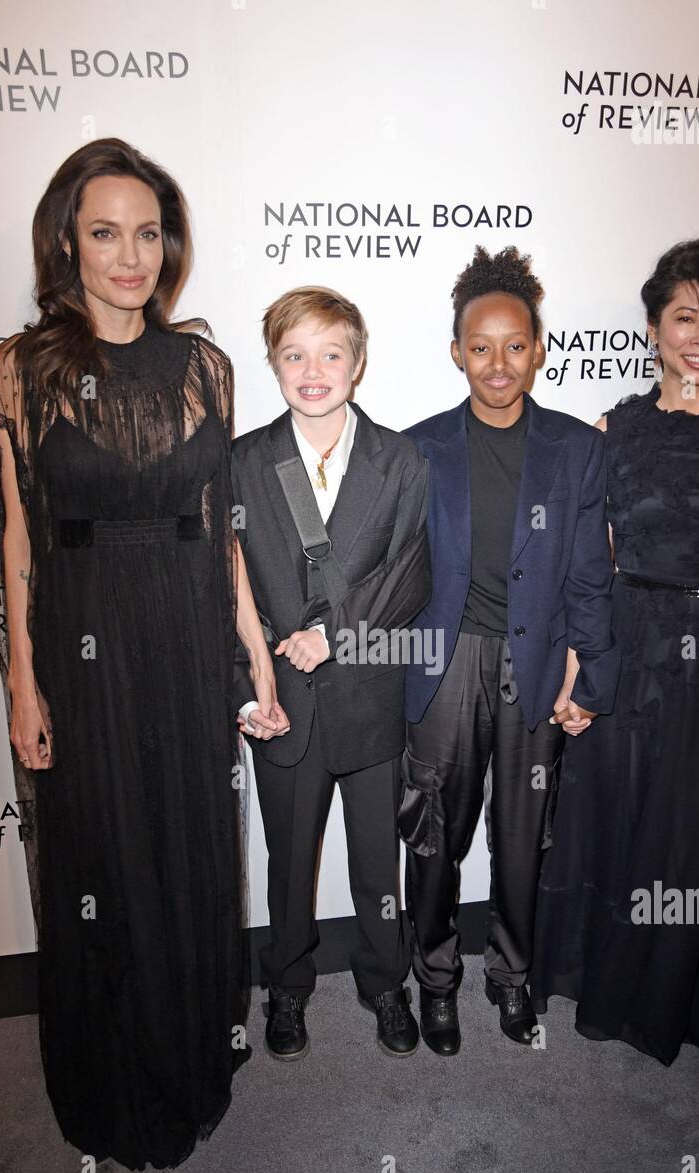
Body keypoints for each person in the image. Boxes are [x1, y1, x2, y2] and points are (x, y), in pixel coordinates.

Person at [0, 137, 281, 1169]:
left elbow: (223, 523)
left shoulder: (205, 364)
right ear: (68, 240)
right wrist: (23, 676)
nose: (129, 255)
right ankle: (114, 1079)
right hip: (83, 639)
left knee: (189, 849)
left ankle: (192, 1050)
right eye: (105, 232)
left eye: (147, 232)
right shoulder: (22, 368)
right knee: (102, 859)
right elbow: (18, 534)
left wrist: (253, 651)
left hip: (189, 635)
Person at [532, 239, 699, 1065]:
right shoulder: (614, 431)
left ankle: (669, 1005)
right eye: (685, 315)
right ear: (652, 326)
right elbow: (594, 563)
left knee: (694, 830)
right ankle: (606, 986)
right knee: (615, 817)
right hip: (630, 635)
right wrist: (579, 671)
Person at [401, 246, 619, 1055]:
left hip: (536, 666)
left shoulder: (576, 448)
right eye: (480, 346)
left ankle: (511, 978)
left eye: (515, 345)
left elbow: (590, 574)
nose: (498, 364)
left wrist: (591, 673)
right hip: (445, 664)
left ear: (538, 347)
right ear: (456, 351)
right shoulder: (416, 448)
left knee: (523, 838)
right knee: (434, 835)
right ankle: (435, 980)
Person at [231, 286, 430, 1060]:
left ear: (357, 362)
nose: (312, 371)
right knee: (289, 863)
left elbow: (412, 575)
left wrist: (333, 636)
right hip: (281, 701)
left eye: (330, 354)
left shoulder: (400, 459)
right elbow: (223, 586)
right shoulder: (244, 461)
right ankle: (285, 988)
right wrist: (245, 693)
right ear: (274, 363)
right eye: (294, 355)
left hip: (369, 694)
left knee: (379, 861)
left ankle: (386, 985)